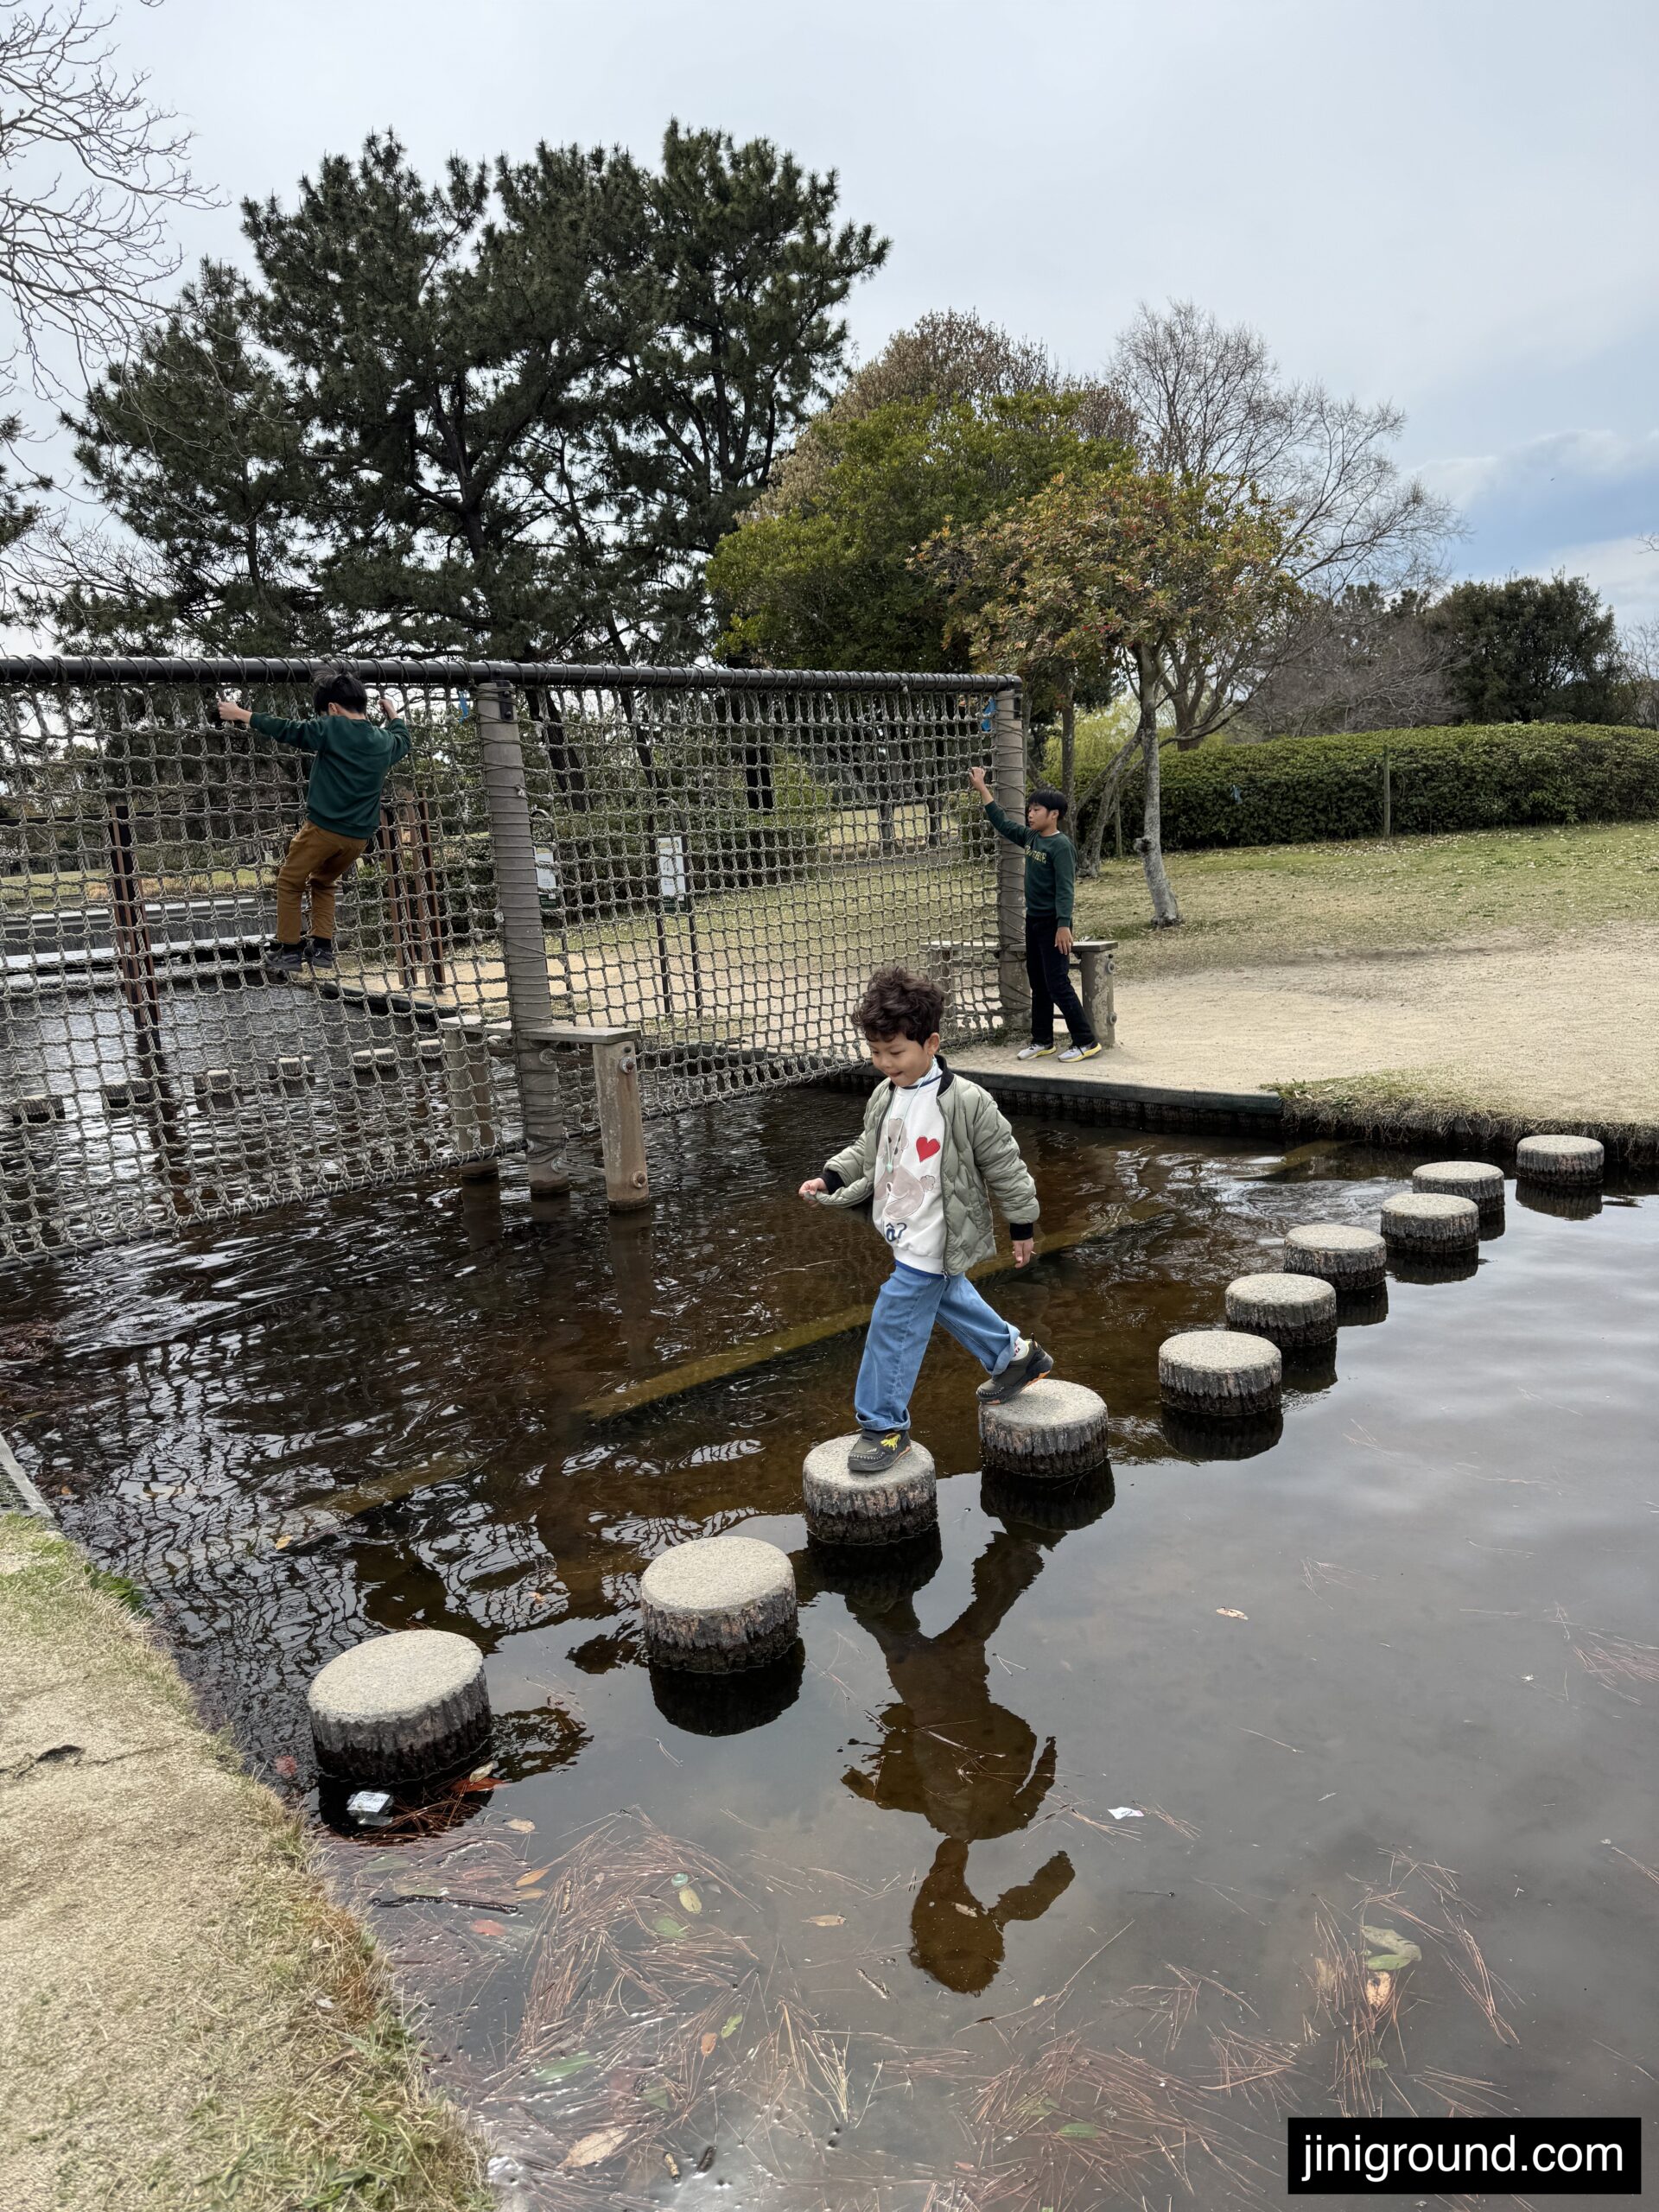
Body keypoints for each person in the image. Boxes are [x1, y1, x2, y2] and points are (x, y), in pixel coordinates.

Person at [799, 965, 1054, 1476]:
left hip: (937, 1234)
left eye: (895, 1053)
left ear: (931, 1043)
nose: (884, 1063)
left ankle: (884, 1425)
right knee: (950, 1298)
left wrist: (1021, 1222)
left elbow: (1004, 1162)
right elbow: (870, 1149)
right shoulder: (886, 1095)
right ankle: (1015, 1358)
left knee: (894, 1321)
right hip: (904, 1227)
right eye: (875, 1053)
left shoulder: (966, 1102)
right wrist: (832, 1175)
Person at [216, 670, 410, 975]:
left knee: (290, 882)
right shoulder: (383, 741)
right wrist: (395, 715)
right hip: (358, 838)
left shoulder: (332, 728)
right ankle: (322, 947)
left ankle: (290, 950)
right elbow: (403, 739)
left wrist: (241, 714)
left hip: (323, 829)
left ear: (332, 709)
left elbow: (288, 729)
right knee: (323, 881)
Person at [967, 764, 1100, 1063]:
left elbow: (1066, 889)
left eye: (1036, 809)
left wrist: (1063, 926)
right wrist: (983, 789)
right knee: (1038, 983)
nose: (1030, 814)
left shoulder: (1061, 846)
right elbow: (1002, 823)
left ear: (1053, 814)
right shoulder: (1031, 838)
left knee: (1057, 983)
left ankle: (1086, 1040)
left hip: (1055, 924)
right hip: (1034, 921)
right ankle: (1042, 1040)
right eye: (1030, 809)